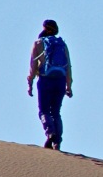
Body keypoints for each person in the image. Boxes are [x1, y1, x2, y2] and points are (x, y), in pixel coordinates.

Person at [26, 20, 73, 150]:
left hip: (45, 80)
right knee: (56, 112)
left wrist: (30, 83)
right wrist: (69, 86)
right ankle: (57, 142)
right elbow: (68, 66)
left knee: (44, 111)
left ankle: (50, 133)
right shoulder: (62, 44)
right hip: (60, 80)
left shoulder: (38, 43)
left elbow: (33, 66)